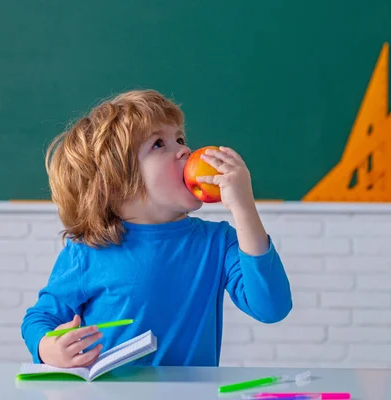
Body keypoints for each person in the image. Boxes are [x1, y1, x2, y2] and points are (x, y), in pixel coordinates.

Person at [20, 89, 292, 368]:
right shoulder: (88, 250)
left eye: (180, 138)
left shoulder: (219, 242)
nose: (185, 150)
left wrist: (244, 208)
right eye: (159, 144)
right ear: (117, 183)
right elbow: (40, 318)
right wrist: (47, 347)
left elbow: (271, 308)